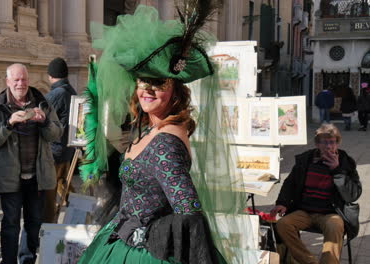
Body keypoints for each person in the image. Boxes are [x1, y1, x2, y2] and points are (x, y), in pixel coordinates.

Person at [78, 4, 250, 264]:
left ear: (176, 91)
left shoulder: (166, 143)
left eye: (158, 82)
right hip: (120, 240)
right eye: (142, 80)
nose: (147, 89)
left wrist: (149, 232)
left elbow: (189, 209)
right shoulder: (150, 127)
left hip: (143, 254)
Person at [0, 63, 62, 264]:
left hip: (37, 175)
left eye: (24, 79)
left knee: (34, 223)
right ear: (8, 82)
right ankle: (8, 261)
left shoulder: (42, 102)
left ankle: (27, 259)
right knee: (10, 224)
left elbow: (56, 133)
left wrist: (44, 121)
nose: (21, 83)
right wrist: (8, 124)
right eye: (16, 80)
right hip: (10, 177)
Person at [270, 124, 362, 264]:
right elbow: (290, 183)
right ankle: (309, 261)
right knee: (283, 224)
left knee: (335, 226)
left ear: (337, 143)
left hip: (331, 213)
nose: (328, 146)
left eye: (332, 142)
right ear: (317, 144)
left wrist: (337, 171)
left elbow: (353, 195)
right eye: (324, 142)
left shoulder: (346, 163)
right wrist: (282, 203)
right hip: (304, 211)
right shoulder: (306, 160)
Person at [43, 57, 77, 223]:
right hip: (67, 147)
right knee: (64, 182)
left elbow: (43, 117)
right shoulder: (71, 91)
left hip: (55, 148)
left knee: (50, 188)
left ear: (50, 75)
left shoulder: (56, 94)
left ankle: (50, 222)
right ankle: (78, 211)